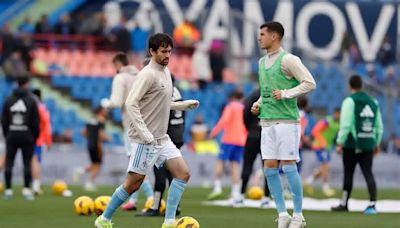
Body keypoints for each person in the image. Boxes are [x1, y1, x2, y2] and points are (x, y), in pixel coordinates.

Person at [94, 33, 199, 228]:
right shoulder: (146, 74)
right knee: (134, 183)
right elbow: (130, 103)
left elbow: (161, 102)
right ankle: (104, 219)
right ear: (152, 51)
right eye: (163, 51)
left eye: (169, 51)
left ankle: (168, 222)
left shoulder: (166, 72)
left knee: (183, 173)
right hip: (145, 140)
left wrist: (183, 105)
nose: (168, 55)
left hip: (161, 138)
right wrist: (144, 133)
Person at [251, 21, 316, 228]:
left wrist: (287, 93)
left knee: (288, 167)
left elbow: (309, 82)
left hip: (287, 122)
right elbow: (267, 90)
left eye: (262, 34)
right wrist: (258, 103)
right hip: (267, 122)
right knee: (269, 168)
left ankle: (298, 215)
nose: (259, 37)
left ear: (274, 36)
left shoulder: (288, 59)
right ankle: (282, 214)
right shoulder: (261, 63)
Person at [100, 53, 153, 210]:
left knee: (135, 166)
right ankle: (134, 201)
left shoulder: (120, 78)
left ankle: (151, 198)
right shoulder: (140, 75)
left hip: (131, 126)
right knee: (137, 164)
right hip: (146, 123)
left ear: (117, 64)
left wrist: (106, 103)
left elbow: (116, 102)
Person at [331, 75, 383, 215]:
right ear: (362, 86)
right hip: (367, 144)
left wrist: (339, 142)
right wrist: (376, 142)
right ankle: (372, 203)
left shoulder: (349, 101)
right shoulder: (373, 102)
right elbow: (378, 126)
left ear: (350, 86)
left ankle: (344, 203)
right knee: (368, 173)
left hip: (351, 144)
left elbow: (346, 124)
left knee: (348, 173)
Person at [138, 75, 185, 216]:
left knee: (160, 173)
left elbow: (160, 116)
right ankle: (174, 206)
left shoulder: (166, 93)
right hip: (177, 136)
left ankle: (156, 206)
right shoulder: (178, 93)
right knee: (172, 174)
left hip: (166, 137)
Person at [2, 76, 39, 200]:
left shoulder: (8, 99)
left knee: (9, 163)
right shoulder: (31, 100)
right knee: (27, 163)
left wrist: (8, 134)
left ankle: (8, 190)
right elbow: (36, 121)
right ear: (26, 84)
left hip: (12, 135)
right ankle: (26, 190)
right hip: (27, 136)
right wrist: (34, 136)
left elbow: (4, 120)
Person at [207, 90, 248, 201]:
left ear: (232, 97)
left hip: (229, 139)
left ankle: (217, 188)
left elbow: (224, 120)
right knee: (235, 165)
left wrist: (213, 133)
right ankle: (235, 192)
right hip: (241, 141)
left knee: (220, 162)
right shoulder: (244, 108)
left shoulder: (231, 107)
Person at [238, 88, 270, 207]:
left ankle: (240, 196)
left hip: (253, 134)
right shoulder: (274, 92)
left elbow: (245, 112)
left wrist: (250, 128)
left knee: (247, 165)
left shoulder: (254, 94)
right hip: (267, 134)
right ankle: (266, 197)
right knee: (268, 167)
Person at [304, 108, 340, 197]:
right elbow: (315, 130)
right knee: (325, 165)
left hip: (327, 148)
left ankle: (308, 181)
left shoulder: (338, 123)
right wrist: (322, 142)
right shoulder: (327, 121)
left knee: (324, 167)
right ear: (336, 113)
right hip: (319, 146)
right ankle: (325, 188)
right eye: (339, 114)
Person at [80, 107, 109, 191]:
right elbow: (101, 135)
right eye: (105, 110)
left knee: (94, 164)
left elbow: (83, 132)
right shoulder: (101, 121)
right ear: (100, 111)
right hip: (97, 145)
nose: (106, 112)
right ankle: (89, 182)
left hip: (89, 144)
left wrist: (90, 139)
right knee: (98, 166)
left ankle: (81, 171)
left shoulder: (91, 120)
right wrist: (107, 138)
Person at [31, 89, 52, 195]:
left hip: (29, 137)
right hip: (35, 139)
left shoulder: (31, 106)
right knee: (35, 161)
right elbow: (46, 124)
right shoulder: (41, 108)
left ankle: (33, 185)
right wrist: (48, 141)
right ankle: (35, 186)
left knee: (33, 161)